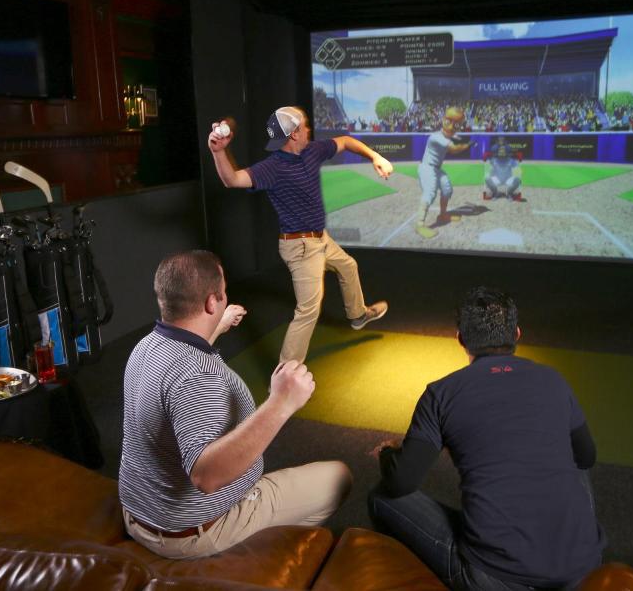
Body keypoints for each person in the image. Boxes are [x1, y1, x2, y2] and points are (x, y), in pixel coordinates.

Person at [119, 250, 352, 559]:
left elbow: (181, 363)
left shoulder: (146, 346)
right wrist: (281, 403)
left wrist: (215, 325)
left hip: (139, 515)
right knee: (338, 478)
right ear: (211, 302)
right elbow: (206, 476)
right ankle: (257, 556)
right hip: (189, 533)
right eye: (223, 293)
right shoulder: (199, 377)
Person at [369, 286, 605, 590]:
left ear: (460, 339)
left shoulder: (440, 394)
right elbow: (586, 457)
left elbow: (402, 483)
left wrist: (388, 454)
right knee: (574, 458)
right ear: (517, 334)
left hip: (494, 578)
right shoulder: (554, 379)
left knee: (381, 496)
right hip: (583, 570)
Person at [207, 107, 391, 363]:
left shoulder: (312, 150)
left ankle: (358, 315)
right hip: (301, 247)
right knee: (308, 311)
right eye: (304, 126)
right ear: (294, 134)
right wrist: (218, 152)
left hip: (321, 239)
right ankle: (285, 373)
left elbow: (346, 141)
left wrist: (375, 156)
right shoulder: (272, 168)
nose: (309, 130)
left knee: (348, 266)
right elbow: (232, 180)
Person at [416, 106, 473, 239]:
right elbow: (454, 149)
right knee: (430, 193)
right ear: (443, 120)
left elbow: (457, 138)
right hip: (427, 168)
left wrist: (464, 140)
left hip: (436, 169)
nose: (452, 126)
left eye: (456, 124)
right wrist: (468, 144)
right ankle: (420, 225)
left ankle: (442, 215)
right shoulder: (435, 137)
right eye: (449, 121)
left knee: (447, 188)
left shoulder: (450, 135)